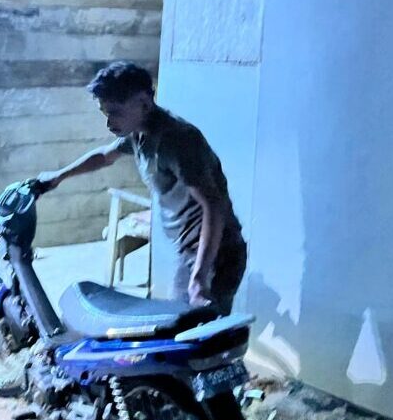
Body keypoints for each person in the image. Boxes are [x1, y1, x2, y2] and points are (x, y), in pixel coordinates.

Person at [36, 62, 247, 314]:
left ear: (144, 103)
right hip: (190, 251)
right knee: (183, 327)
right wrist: (58, 176)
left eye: (115, 113)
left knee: (194, 329)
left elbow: (214, 205)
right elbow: (105, 156)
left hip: (217, 254)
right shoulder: (137, 132)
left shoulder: (177, 141)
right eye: (105, 113)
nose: (109, 123)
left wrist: (200, 278)